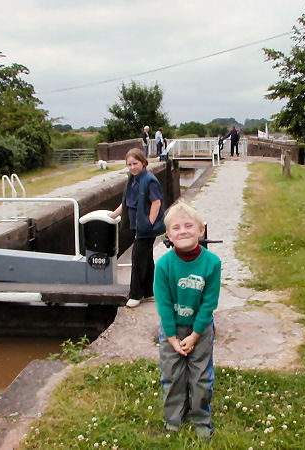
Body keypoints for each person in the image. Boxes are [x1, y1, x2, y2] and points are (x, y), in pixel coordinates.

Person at [154, 201, 221, 440]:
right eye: (176, 227)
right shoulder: (163, 265)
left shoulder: (213, 263)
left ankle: (201, 418)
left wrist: (195, 335)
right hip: (172, 328)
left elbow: (209, 304)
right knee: (172, 375)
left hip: (200, 328)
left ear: (201, 230)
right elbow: (163, 304)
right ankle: (174, 418)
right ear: (169, 235)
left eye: (189, 226)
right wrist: (172, 338)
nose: (183, 231)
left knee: (200, 376)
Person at [109, 148, 165, 308]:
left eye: (135, 163)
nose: (133, 167)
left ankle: (135, 294)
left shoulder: (149, 180)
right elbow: (127, 200)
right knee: (146, 258)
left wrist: (149, 223)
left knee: (138, 258)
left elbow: (156, 202)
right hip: (136, 225)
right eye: (129, 164)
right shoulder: (132, 179)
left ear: (143, 162)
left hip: (145, 227)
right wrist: (115, 214)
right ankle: (148, 292)